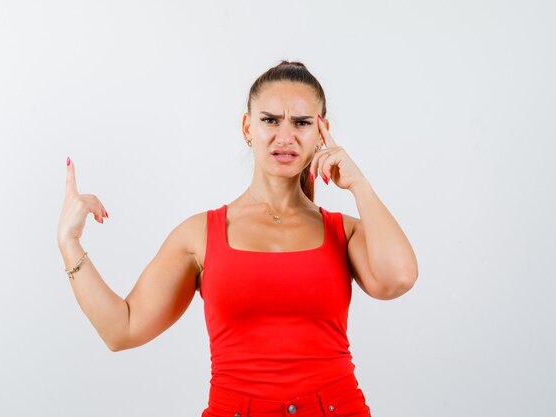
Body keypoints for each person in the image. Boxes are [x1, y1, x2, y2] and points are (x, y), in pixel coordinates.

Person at [57, 60, 418, 417]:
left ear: (322, 133)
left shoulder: (345, 231)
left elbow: (398, 278)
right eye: (270, 120)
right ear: (248, 127)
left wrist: (359, 184)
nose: (285, 136)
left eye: (302, 123)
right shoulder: (199, 235)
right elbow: (123, 329)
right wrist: (69, 243)